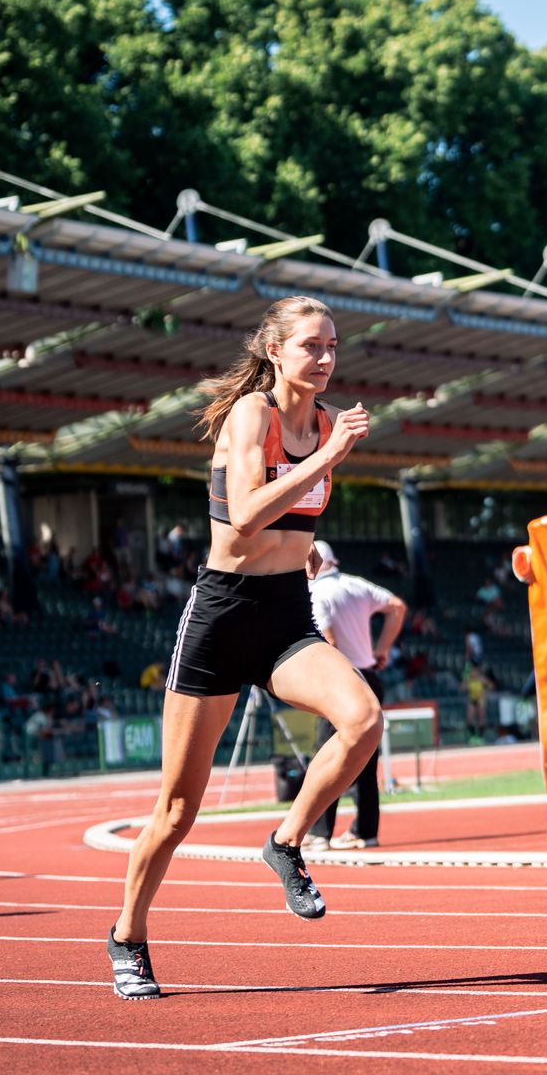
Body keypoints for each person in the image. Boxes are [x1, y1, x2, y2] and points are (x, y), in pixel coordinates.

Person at [107, 296, 379, 1002]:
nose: (324, 358)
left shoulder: (321, 424)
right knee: (176, 812)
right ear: (276, 352)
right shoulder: (254, 416)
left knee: (363, 719)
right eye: (311, 346)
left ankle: (287, 841)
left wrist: (309, 545)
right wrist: (328, 455)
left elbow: (291, 518)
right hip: (224, 615)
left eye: (333, 347)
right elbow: (243, 524)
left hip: (286, 612)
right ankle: (128, 936)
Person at [302, 540, 405, 853]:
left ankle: (321, 832)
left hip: (342, 681)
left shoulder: (317, 594)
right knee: (365, 758)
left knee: (326, 757)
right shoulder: (356, 585)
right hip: (369, 675)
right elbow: (397, 607)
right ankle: (366, 831)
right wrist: (382, 649)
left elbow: (328, 642)